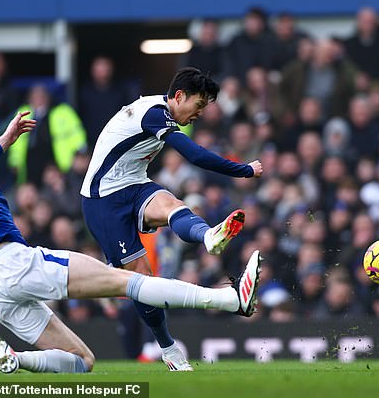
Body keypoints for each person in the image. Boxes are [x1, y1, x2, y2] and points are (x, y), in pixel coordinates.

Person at [0, 107, 262, 374]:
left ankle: (16, 359)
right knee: (129, 281)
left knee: (81, 362)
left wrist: (5, 138)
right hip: (13, 264)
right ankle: (232, 300)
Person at [80, 67, 263, 371]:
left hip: (134, 185)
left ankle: (208, 237)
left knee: (172, 205)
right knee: (142, 282)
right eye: (199, 105)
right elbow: (195, 155)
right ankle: (168, 348)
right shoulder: (155, 114)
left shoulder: (159, 111)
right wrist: (244, 170)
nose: (200, 114)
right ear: (179, 96)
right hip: (102, 203)